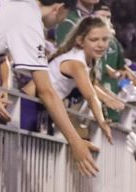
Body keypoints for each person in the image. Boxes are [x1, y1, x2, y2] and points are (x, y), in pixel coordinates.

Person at [0, 0, 100, 176]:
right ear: (58, 8)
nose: (64, 19)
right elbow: (46, 90)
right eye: (67, 12)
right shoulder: (30, 20)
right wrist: (75, 142)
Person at [38, 15, 125, 143]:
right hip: (30, 105)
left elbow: (90, 84)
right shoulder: (76, 63)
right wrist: (101, 121)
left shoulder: (85, 59)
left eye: (105, 39)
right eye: (94, 40)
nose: (101, 44)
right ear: (80, 41)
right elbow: (90, 96)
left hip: (43, 108)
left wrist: (108, 98)